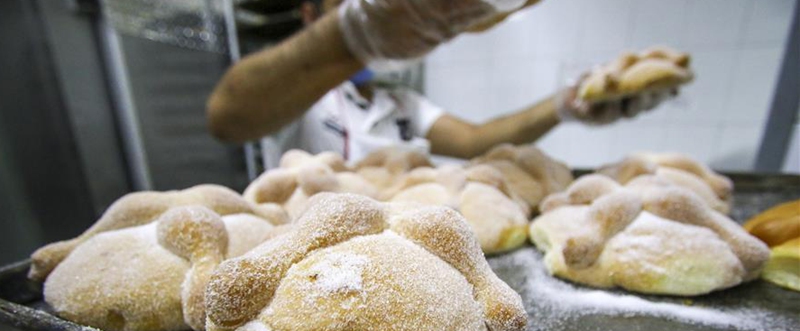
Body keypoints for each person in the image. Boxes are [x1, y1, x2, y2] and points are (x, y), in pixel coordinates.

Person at [207, 0, 676, 163]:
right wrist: (351, 37)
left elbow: (475, 141)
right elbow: (229, 117)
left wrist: (564, 105)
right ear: (312, 16)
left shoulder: (402, 103)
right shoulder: (299, 99)